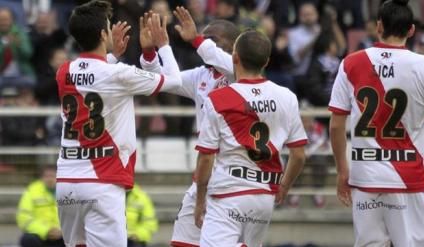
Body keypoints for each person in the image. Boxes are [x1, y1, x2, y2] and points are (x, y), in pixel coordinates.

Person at [54, 1, 181, 246]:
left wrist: (111, 56)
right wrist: (162, 46)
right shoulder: (119, 74)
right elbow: (174, 81)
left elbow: (91, 77)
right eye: (109, 27)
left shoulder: (64, 72)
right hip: (102, 179)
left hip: (68, 182)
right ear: (103, 34)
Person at [328, 0, 424, 246]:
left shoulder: (351, 62)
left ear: (378, 26)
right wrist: (418, 142)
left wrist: (343, 171)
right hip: (409, 175)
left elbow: (336, 126)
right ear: (411, 30)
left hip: (366, 175)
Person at [194, 30, 307, 247]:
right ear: (266, 61)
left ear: (235, 58)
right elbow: (299, 155)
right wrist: (284, 187)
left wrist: (200, 201)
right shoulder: (287, 97)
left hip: (228, 192)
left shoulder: (218, 99)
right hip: (264, 195)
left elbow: (206, 158)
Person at [139, 7, 240, 247]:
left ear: (235, 45)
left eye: (212, 40)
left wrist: (196, 39)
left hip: (233, 171)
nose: (205, 44)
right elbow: (165, 80)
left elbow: (225, 62)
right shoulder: (201, 75)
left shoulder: (242, 74)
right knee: (182, 241)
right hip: (205, 172)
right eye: (204, 39)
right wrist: (151, 52)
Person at [17, 165, 64, 247]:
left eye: (52, 176)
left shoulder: (68, 190)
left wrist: (62, 232)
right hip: (40, 235)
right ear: (41, 178)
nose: (50, 179)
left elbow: (75, 217)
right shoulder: (32, 190)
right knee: (28, 239)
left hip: (62, 235)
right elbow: (24, 218)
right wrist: (46, 231)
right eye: (46, 176)